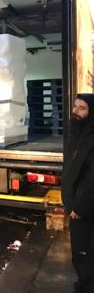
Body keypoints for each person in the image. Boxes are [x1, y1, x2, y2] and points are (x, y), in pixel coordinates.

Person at [62, 93, 94, 293]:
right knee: (80, 252)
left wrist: (80, 207)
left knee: (84, 252)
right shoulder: (77, 133)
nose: (75, 111)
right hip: (75, 204)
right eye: (75, 106)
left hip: (85, 209)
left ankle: (86, 287)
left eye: (82, 108)